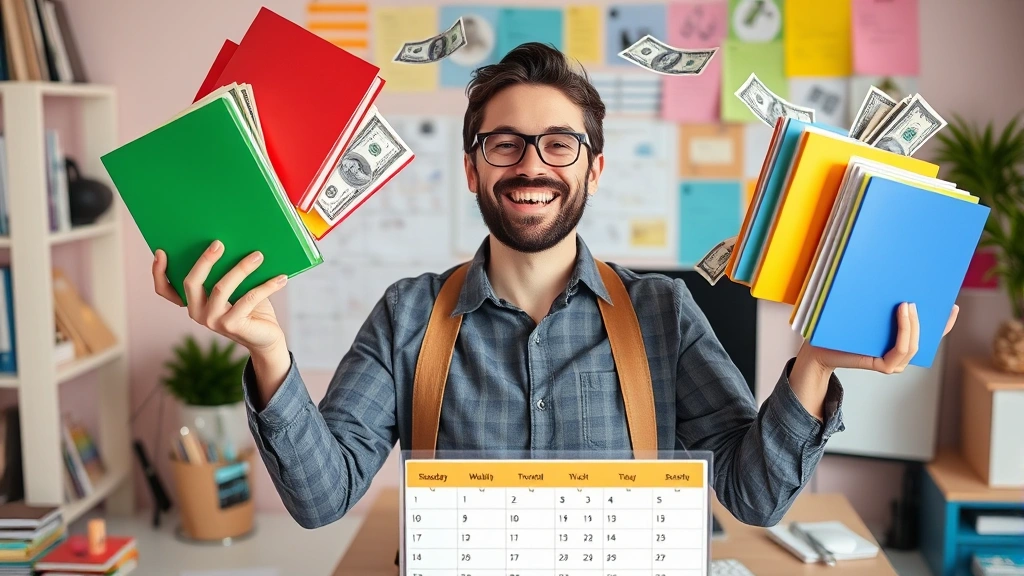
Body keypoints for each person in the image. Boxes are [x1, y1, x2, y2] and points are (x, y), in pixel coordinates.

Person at [151, 42, 959, 529]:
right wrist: (266, 350)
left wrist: (813, 367)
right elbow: (321, 500)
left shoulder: (663, 313)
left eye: (558, 144)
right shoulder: (406, 315)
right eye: (504, 144)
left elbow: (752, 497)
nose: (531, 163)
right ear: (471, 167)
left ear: (595, 168)